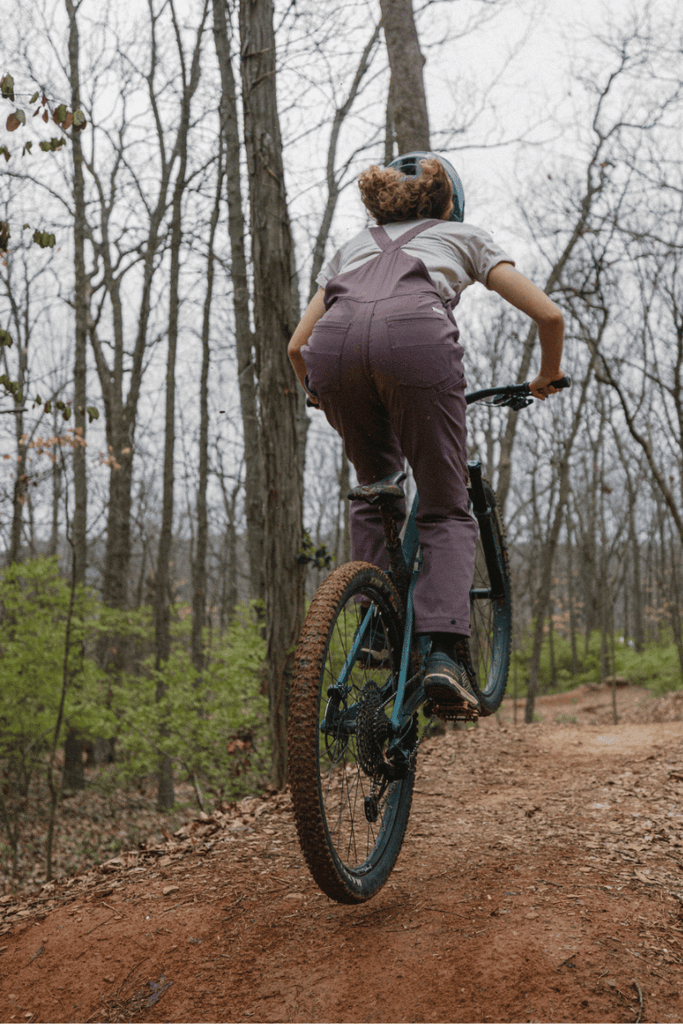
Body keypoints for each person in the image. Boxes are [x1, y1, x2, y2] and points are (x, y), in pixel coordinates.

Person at [288, 152, 565, 713]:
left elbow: (296, 347)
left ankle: (374, 626)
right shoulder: (462, 235)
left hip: (334, 352)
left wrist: (316, 391)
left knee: (376, 487)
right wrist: (545, 374)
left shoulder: (351, 249)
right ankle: (441, 653)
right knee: (444, 503)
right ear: (448, 203)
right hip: (416, 342)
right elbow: (550, 316)